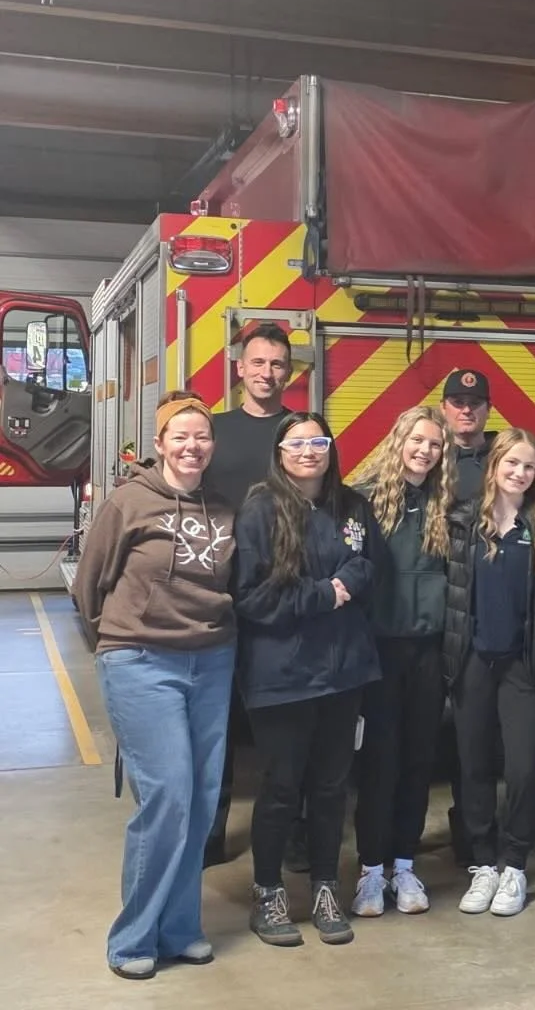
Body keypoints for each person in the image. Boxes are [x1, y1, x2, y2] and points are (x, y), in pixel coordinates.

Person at [73, 391, 236, 979]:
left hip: (213, 661)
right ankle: (133, 937)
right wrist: (120, 643)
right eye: (180, 436)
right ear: (161, 443)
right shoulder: (129, 501)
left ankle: (180, 928)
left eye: (202, 437)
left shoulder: (222, 507)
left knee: (200, 799)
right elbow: (89, 584)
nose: (192, 446)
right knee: (167, 794)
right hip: (142, 662)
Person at [234, 412, 383, 948]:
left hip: (345, 673)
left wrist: (344, 582)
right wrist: (326, 594)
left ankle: (325, 887)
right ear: (279, 453)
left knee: (329, 789)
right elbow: (252, 596)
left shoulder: (352, 506)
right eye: (296, 443)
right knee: (280, 789)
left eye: (318, 441)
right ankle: (268, 892)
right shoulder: (260, 511)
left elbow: (368, 565)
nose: (308, 451)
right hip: (283, 676)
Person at [444, 429, 535, 918]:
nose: (520, 473)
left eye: (529, 467)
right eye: (512, 463)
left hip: (523, 665)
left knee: (520, 769)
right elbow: (451, 597)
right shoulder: (463, 524)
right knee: (472, 765)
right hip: (473, 660)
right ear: (494, 465)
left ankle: (514, 862)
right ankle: (482, 863)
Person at [349, 407, 454, 919]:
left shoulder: (445, 504)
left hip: (427, 651)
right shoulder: (365, 499)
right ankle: (370, 871)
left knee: (418, 761)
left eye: (435, 444)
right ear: (399, 440)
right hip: (379, 653)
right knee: (378, 763)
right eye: (417, 440)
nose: (425, 451)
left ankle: (405, 866)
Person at [203, 322, 294, 869]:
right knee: (219, 722)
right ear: (240, 368)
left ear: (290, 371)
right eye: (258, 363)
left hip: (282, 599)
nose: (267, 373)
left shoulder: (300, 430)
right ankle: (212, 830)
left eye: (277, 364)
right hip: (218, 598)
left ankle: (294, 830)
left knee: (285, 726)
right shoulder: (214, 430)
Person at [441, 368, 498, 501]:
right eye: (458, 403)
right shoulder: (430, 456)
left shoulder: (503, 456)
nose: (466, 410)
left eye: (475, 403)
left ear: (489, 409)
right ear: (443, 408)